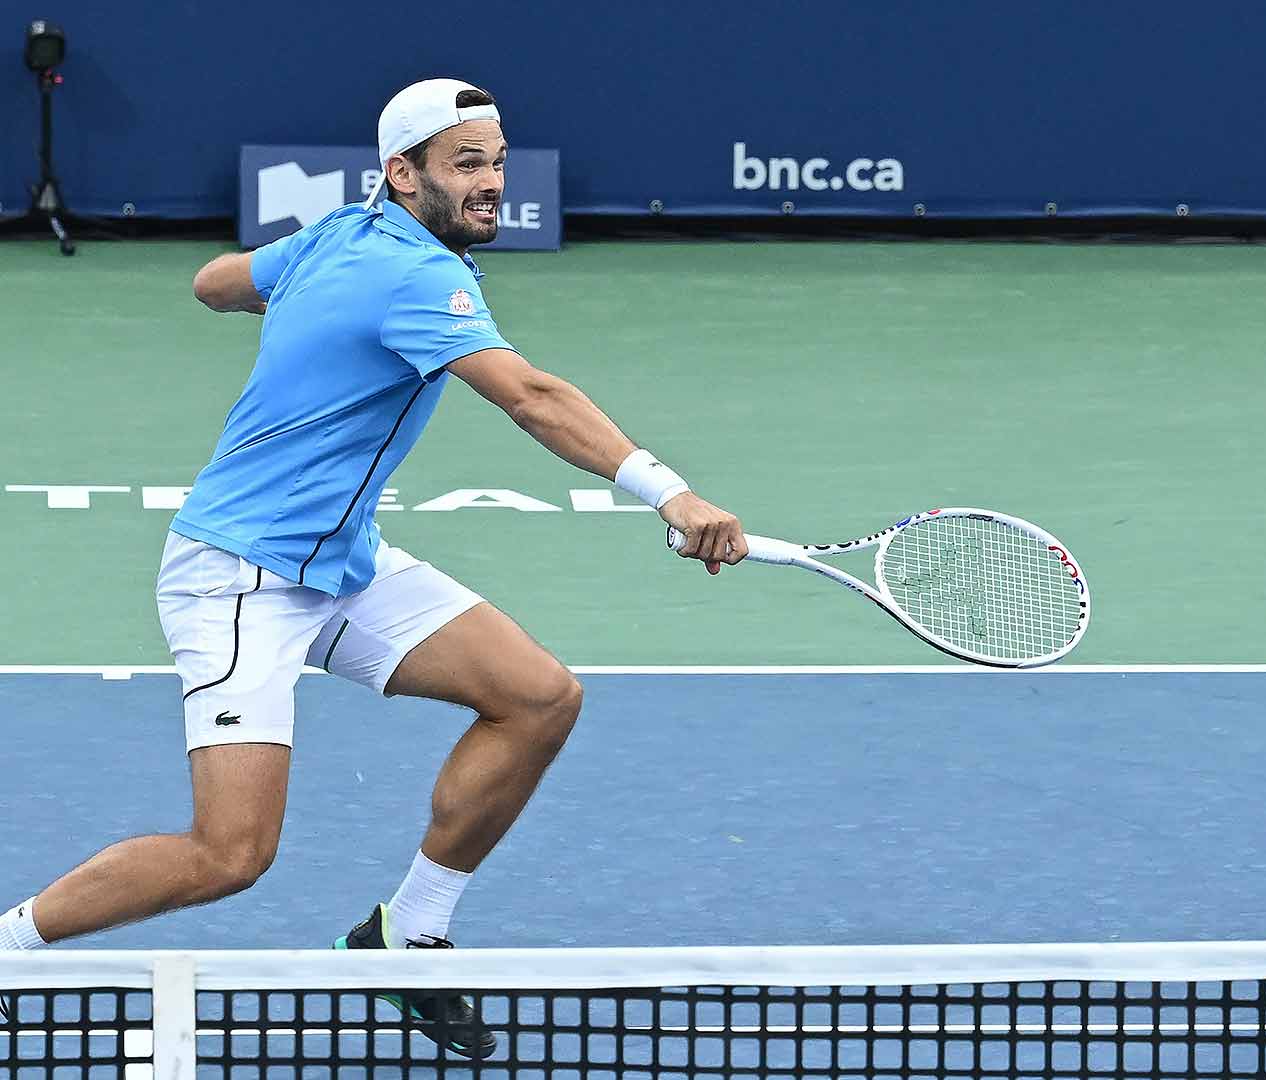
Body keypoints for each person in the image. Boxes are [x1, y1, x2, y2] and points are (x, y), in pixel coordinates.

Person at [0, 78, 746, 1058]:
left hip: (339, 563)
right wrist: (672, 494)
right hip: (240, 580)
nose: (492, 184)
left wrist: (279, 284)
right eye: (467, 164)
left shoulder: (338, 237)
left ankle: (406, 937)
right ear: (404, 174)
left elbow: (215, 281)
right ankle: (8, 950)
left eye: (496, 160)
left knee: (537, 699)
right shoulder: (414, 276)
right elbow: (528, 394)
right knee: (231, 854)